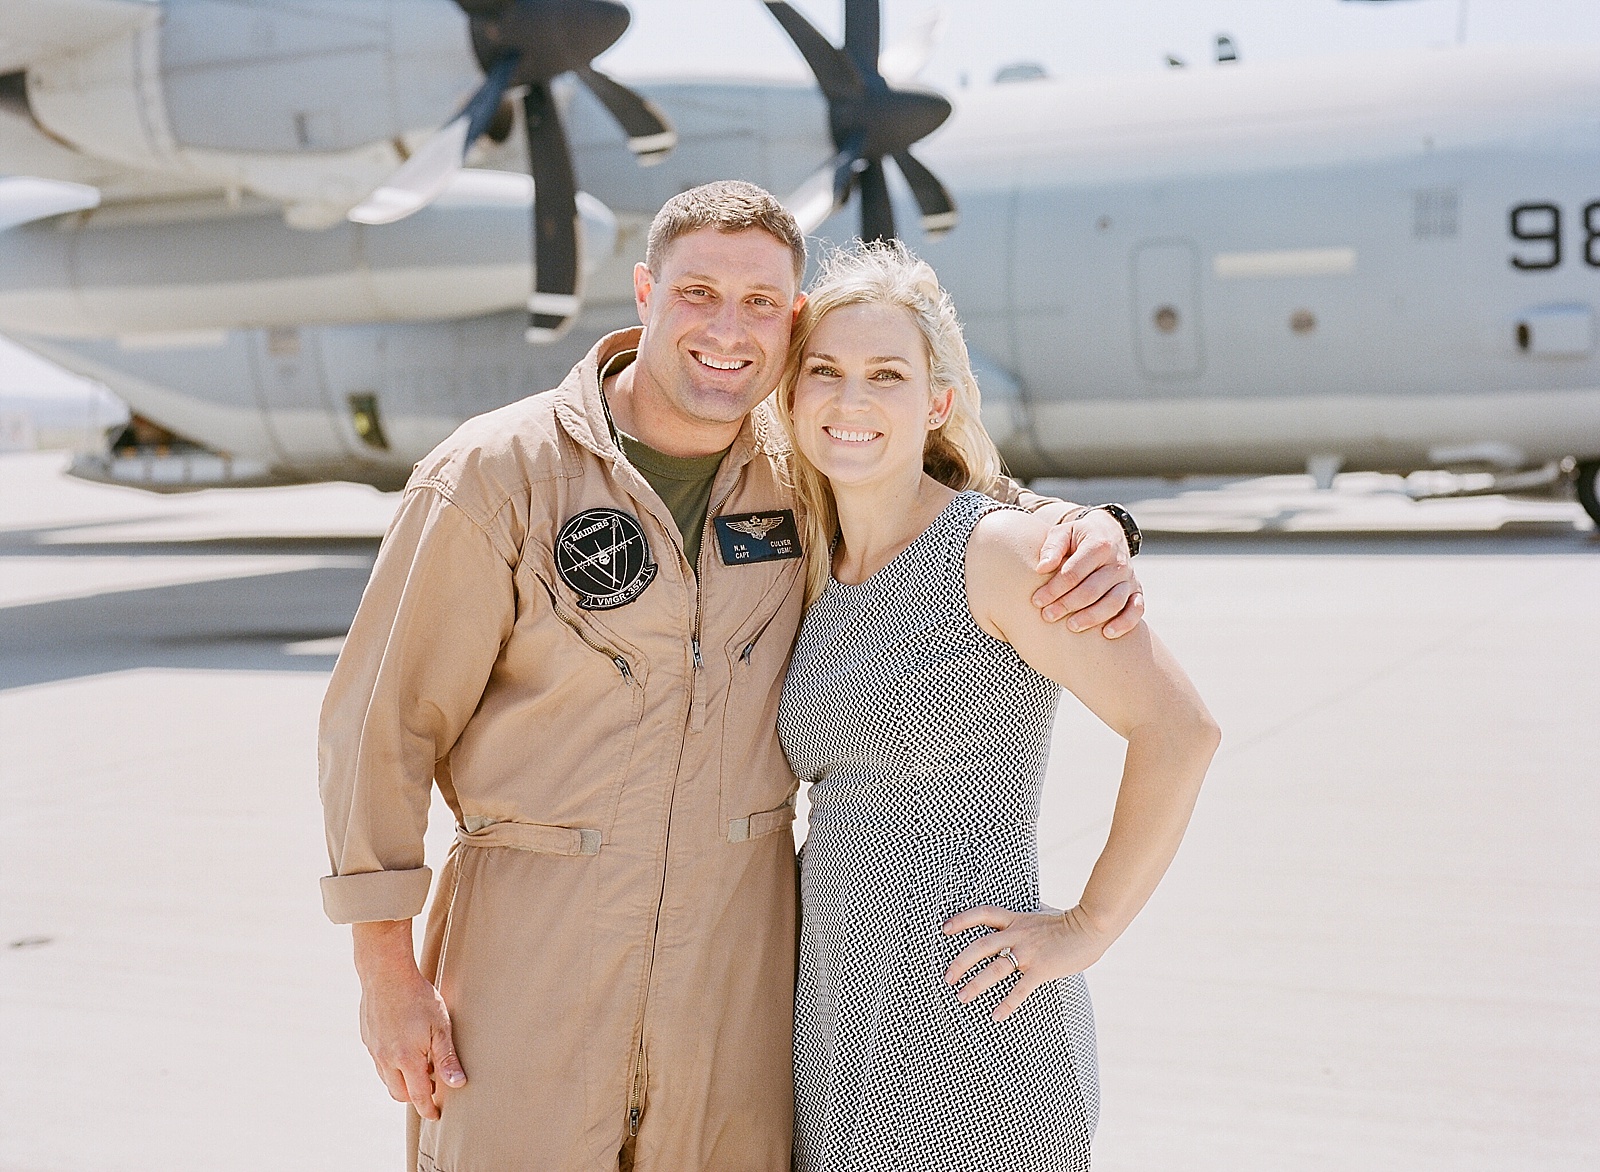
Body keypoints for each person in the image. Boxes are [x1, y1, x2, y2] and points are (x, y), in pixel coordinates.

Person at [318, 182, 1146, 1172]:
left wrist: (1093, 525)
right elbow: (379, 729)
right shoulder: (498, 475)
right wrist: (384, 972)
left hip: (738, 967)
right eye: (698, 291)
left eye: (761, 303)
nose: (727, 326)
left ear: (791, 319)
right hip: (530, 943)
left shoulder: (795, 472)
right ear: (644, 291)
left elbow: (947, 504)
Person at [773, 240, 1221, 1172]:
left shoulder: (996, 554)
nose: (852, 400)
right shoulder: (816, 564)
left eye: (885, 374)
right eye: (827, 371)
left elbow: (1180, 731)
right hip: (837, 1042)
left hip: (975, 1039)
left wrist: (1086, 928)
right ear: (793, 394)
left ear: (936, 402)